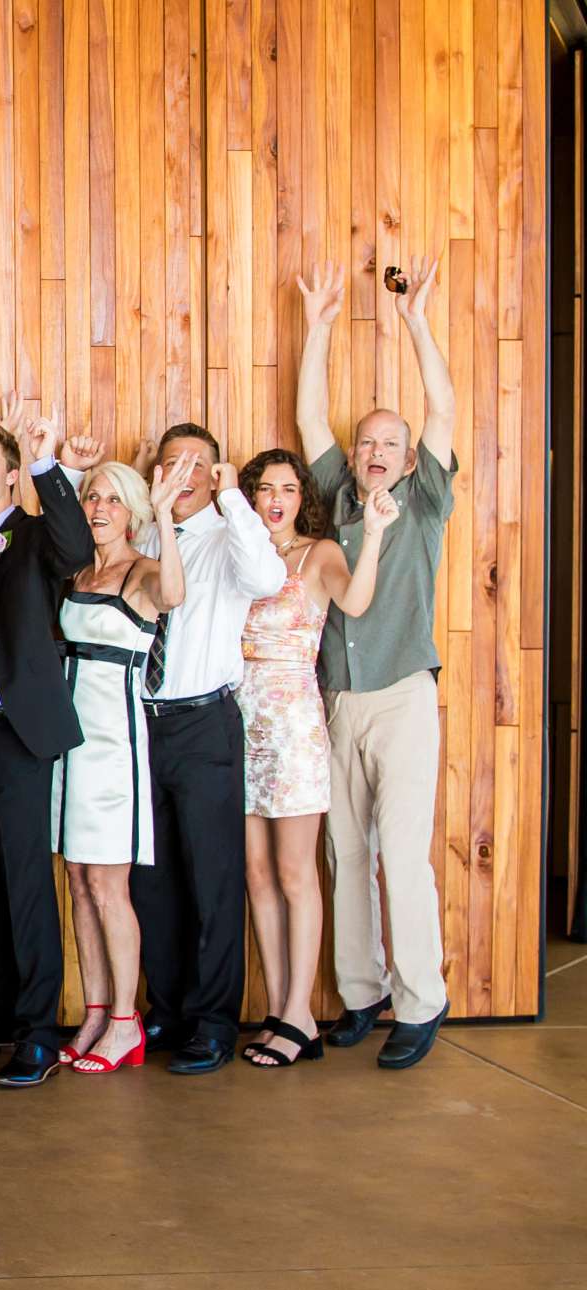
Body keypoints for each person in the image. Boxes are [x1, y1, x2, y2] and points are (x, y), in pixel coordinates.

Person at [296, 255, 460, 1069]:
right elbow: (308, 420)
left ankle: (422, 1001)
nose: (375, 452)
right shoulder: (338, 499)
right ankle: (363, 994)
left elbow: (445, 405)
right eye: (368, 442)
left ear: (408, 454)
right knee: (346, 852)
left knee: (400, 852)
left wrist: (417, 321)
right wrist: (320, 325)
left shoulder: (424, 500)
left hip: (400, 695)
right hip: (338, 700)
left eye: (389, 442)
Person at [120, 426, 287, 1075]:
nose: (181, 474)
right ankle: (168, 1010)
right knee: (151, 879)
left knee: (213, 880)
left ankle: (215, 1022)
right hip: (139, 725)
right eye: (170, 464)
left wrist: (235, 498)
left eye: (196, 466)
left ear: (215, 475)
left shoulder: (228, 538)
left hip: (204, 723)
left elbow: (269, 578)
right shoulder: (143, 540)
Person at [0, 410, 95, 1088]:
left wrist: (45, 467)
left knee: (28, 882)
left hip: (18, 732)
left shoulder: (32, 537)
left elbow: (77, 551)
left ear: (8, 475)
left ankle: (36, 1032)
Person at [239, 449, 395, 1068]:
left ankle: (300, 1014)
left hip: (293, 724)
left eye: (288, 488)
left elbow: (355, 603)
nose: (277, 498)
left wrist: (376, 534)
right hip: (241, 721)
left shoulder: (319, 554)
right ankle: (282, 1010)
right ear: (252, 498)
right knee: (255, 872)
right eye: (265, 488)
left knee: (295, 872)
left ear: (303, 498)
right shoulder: (246, 555)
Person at [50, 458, 186, 1078]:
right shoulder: (81, 570)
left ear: (131, 510)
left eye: (111, 500)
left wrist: (164, 515)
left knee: (110, 886)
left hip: (114, 748)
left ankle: (128, 1020)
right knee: (78, 881)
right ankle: (97, 1010)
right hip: (70, 748)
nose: (99, 509)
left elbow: (175, 596)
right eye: (91, 498)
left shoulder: (144, 572)